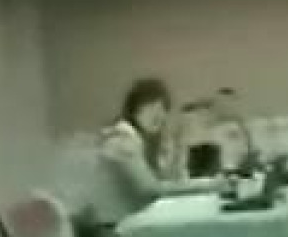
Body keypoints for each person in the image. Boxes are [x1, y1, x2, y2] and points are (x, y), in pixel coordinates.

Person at [91, 78, 223, 223]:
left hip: (126, 222)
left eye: (163, 109)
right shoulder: (121, 138)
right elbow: (150, 190)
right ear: (135, 109)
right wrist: (204, 186)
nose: (159, 115)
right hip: (111, 226)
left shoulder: (140, 141)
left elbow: (169, 180)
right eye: (151, 107)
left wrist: (180, 147)